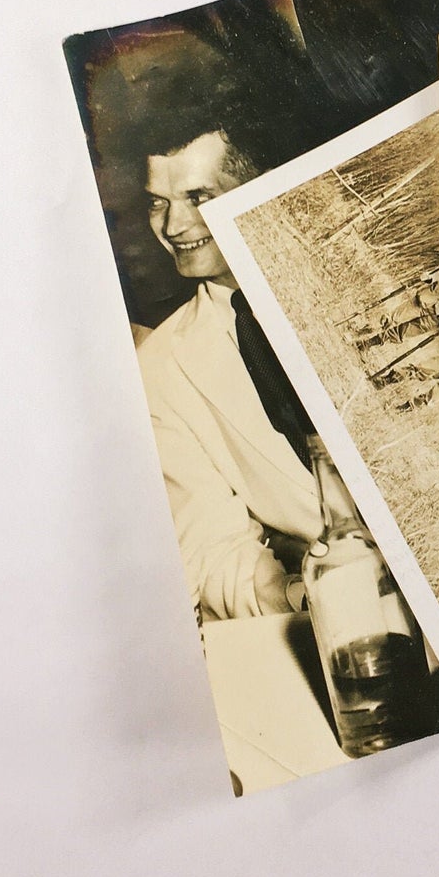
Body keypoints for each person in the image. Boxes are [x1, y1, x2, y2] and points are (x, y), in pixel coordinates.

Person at [135, 102, 324, 621]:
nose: (174, 225)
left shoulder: (370, 281)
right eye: (157, 203)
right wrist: (302, 595)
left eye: (198, 196)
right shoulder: (160, 369)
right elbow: (213, 548)